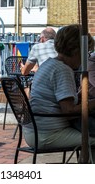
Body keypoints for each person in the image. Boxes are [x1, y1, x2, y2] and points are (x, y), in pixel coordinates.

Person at [23, 24, 95, 163]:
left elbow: (59, 100)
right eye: (85, 53)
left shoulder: (49, 64)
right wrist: (92, 103)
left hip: (35, 131)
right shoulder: (63, 70)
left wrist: (79, 97)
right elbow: (68, 111)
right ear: (75, 50)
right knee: (92, 138)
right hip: (48, 134)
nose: (85, 58)